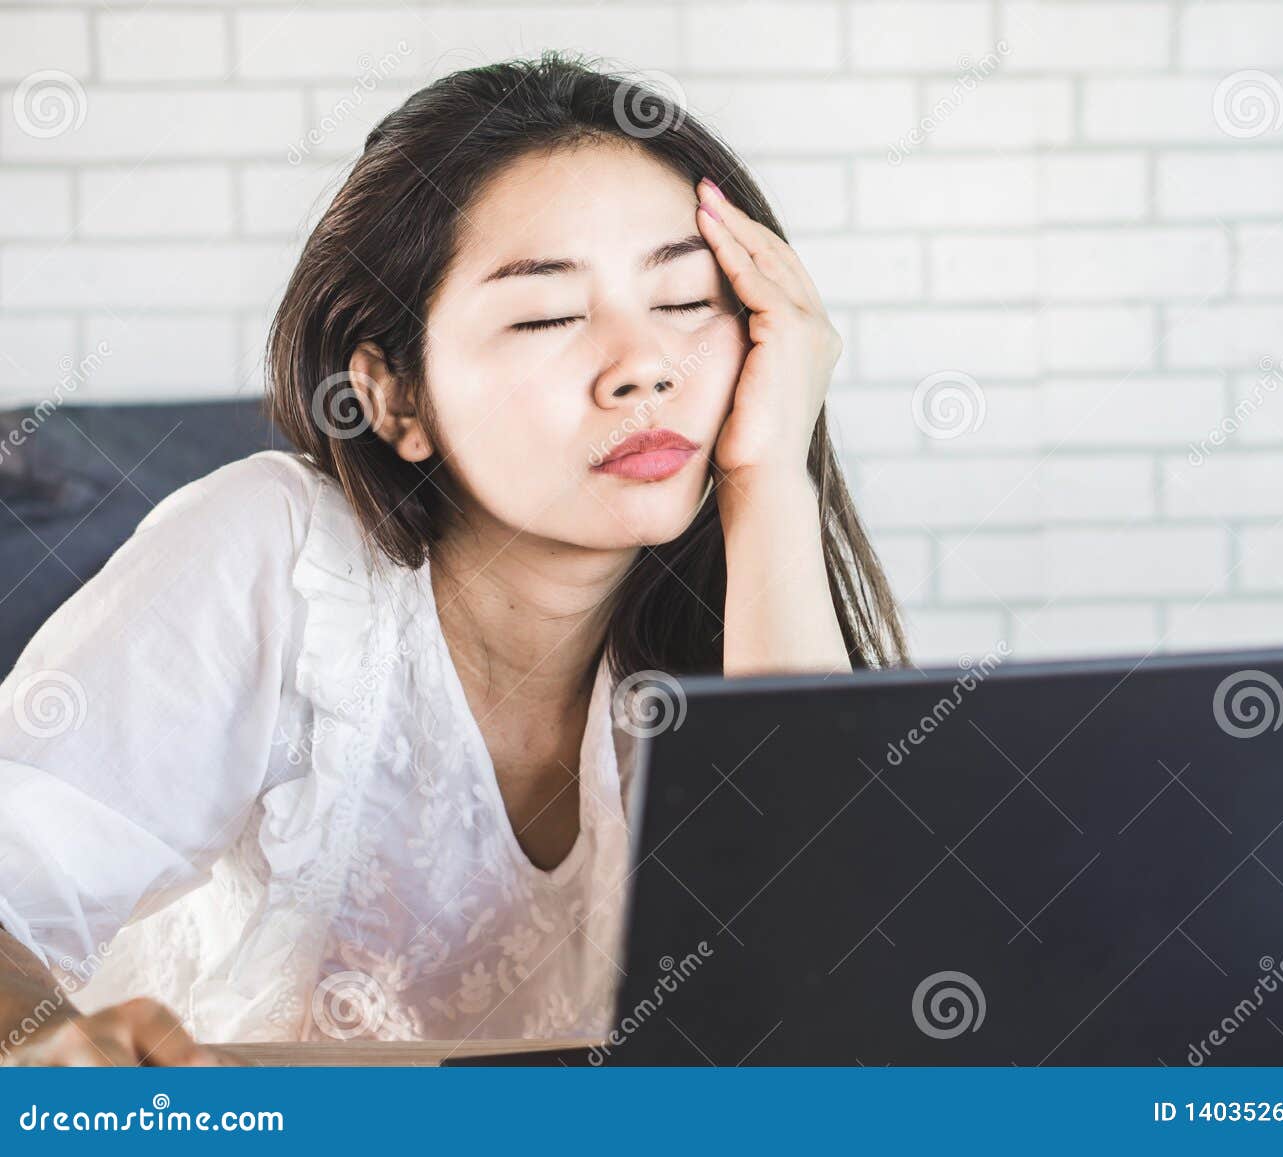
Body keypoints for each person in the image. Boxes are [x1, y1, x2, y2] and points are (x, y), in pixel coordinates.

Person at [0, 51, 906, 1066]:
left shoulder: (741, 605)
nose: (644, 367)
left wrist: (770, 478)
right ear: (394, 395)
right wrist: (49, 1037)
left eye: (688, 301)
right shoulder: (271, 554)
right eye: (548, 316)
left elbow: (840, 983)